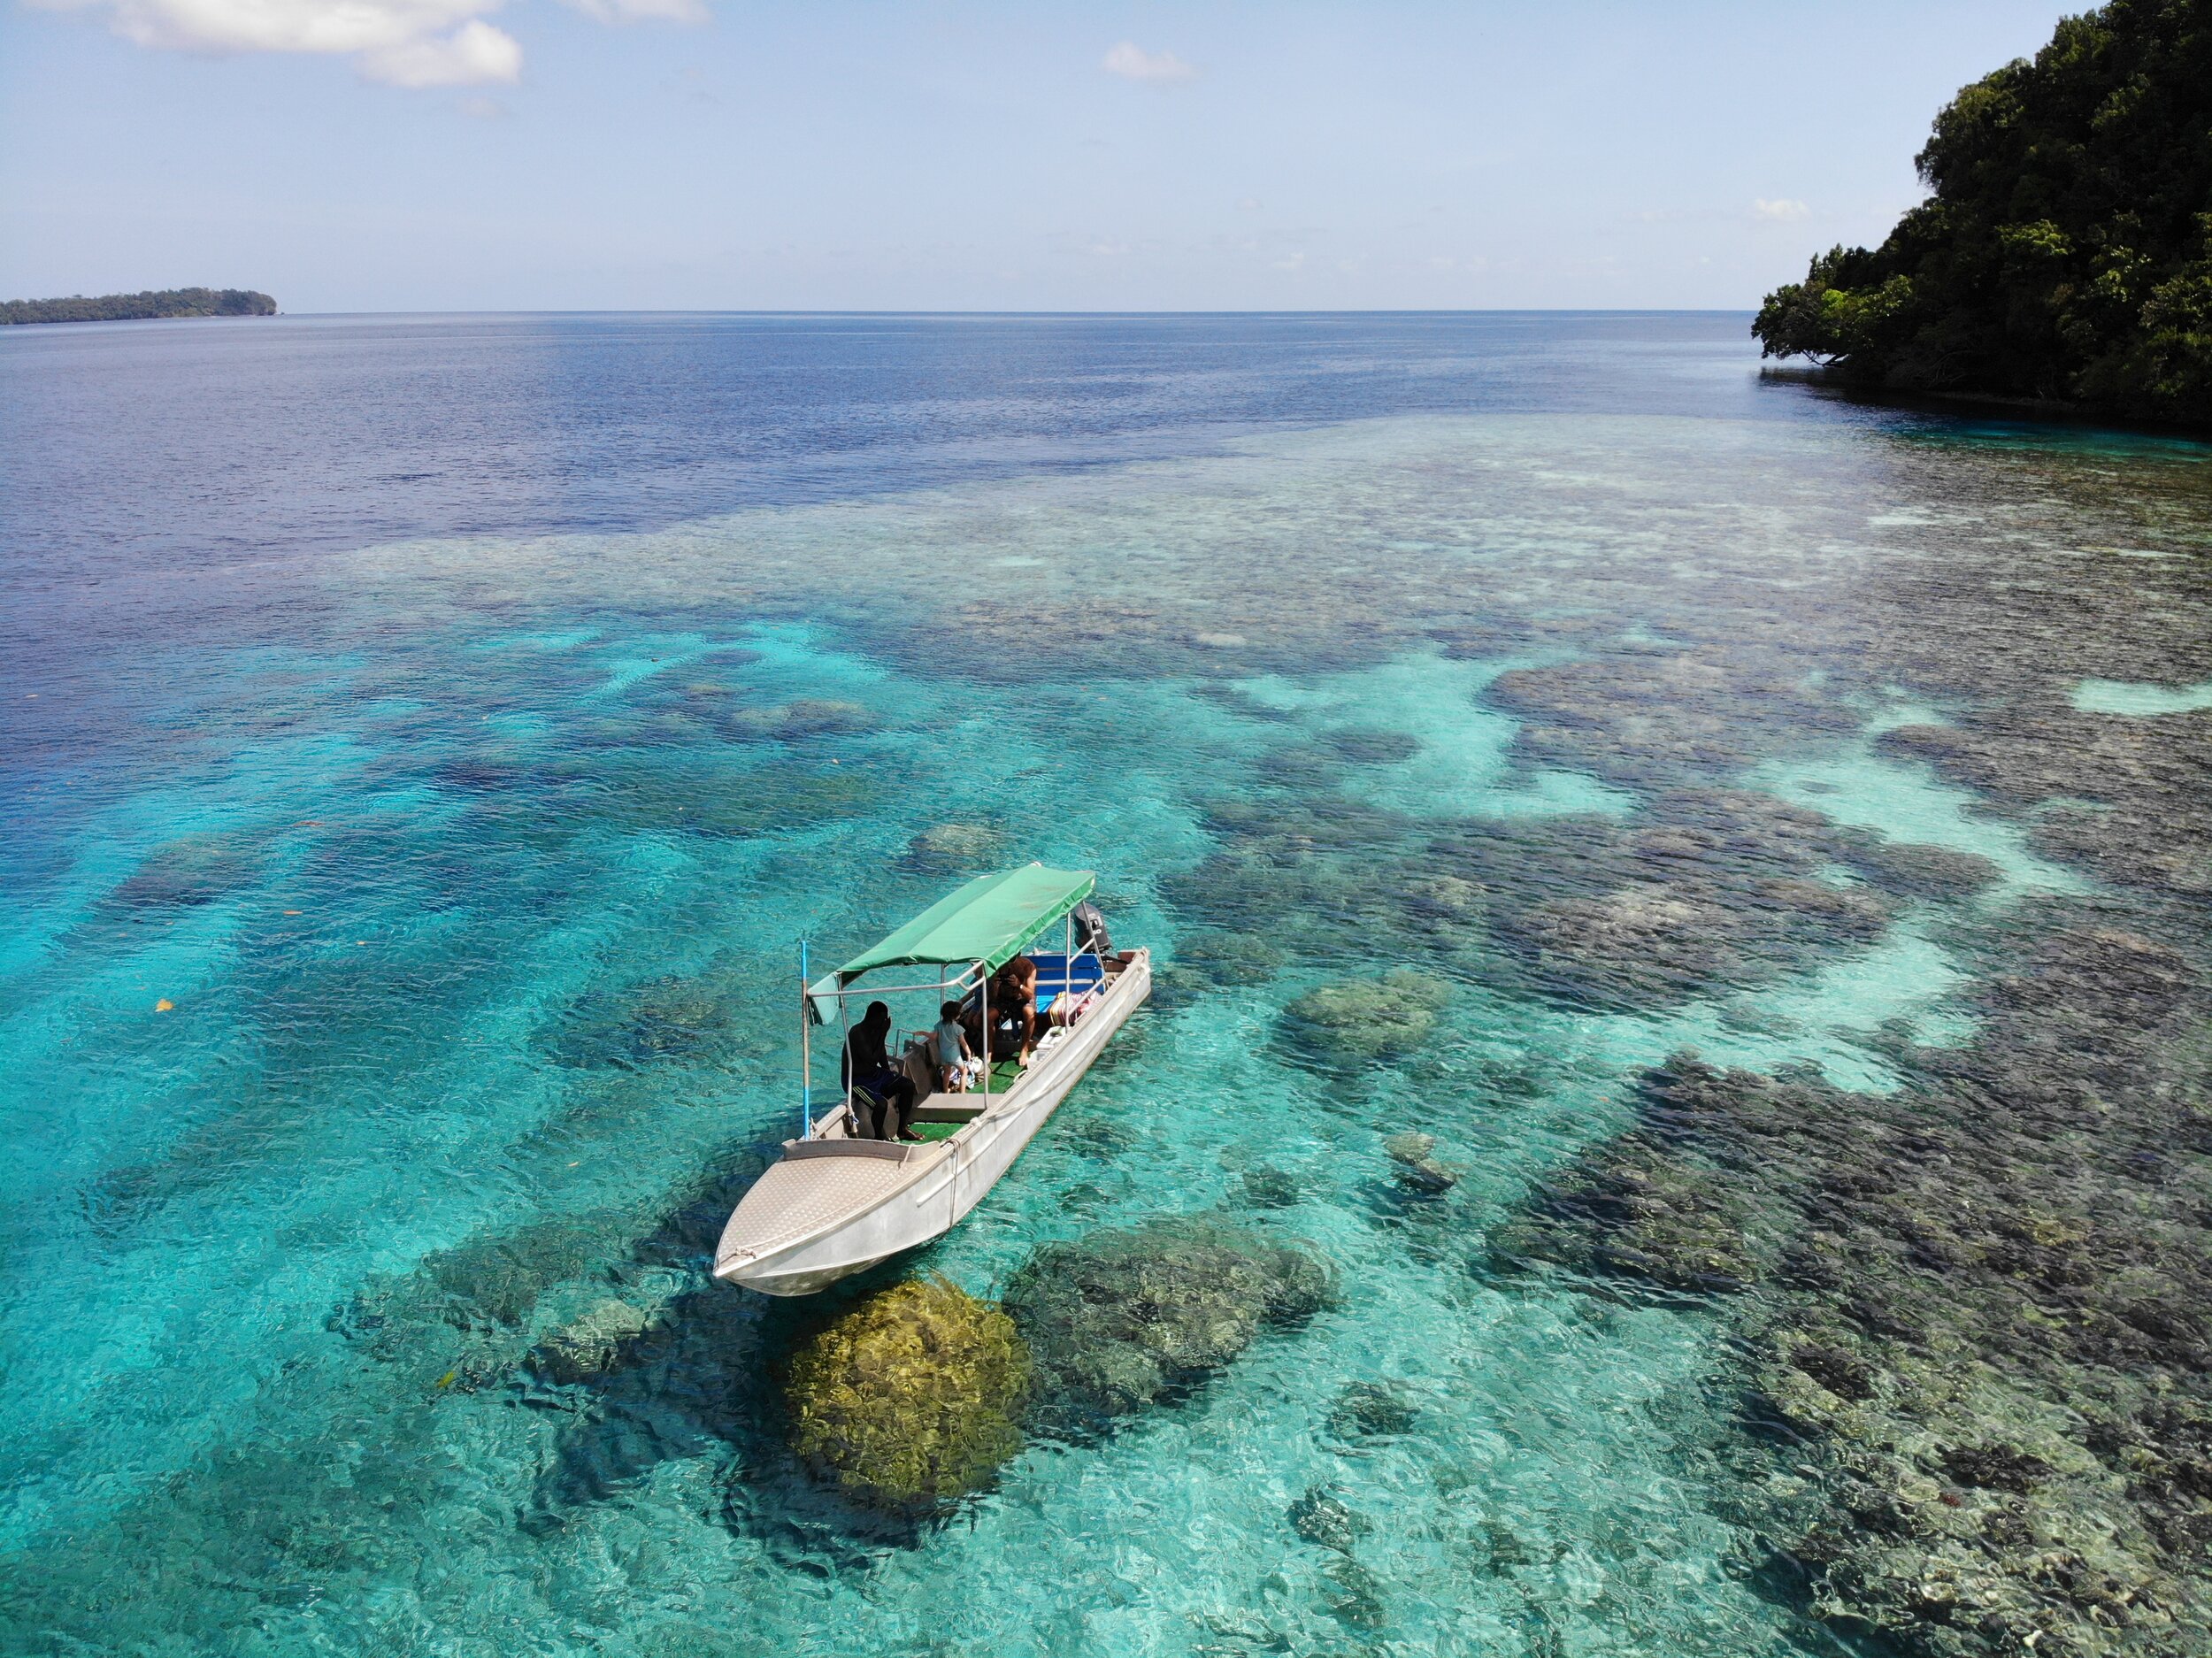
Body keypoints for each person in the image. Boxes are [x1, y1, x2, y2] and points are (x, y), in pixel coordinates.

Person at [842, 1001, 919, 1141]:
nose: (885, 1022)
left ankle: (902, 1129)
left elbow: (880, 1052)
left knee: (907, 1085)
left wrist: (888, 1073)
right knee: (881, 1104)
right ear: (873, 1018)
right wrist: (883, 1033)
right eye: (882, 1019)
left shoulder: (876, 1030)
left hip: (874, 1074)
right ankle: (879, 1137)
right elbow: (871, 1059)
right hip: (856, 1081)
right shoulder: (857, 1033)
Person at [933, 999, 979, 1092]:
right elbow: (963, 1043)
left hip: (943, 1055)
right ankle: (962, 1093)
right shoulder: (958, 1029)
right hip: (955, 1056)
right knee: (964, 1071)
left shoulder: (938, 1025)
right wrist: (969, 1053)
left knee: (947, 1072)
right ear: (955, 1016)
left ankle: (945, 1091)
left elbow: (934, 1037)